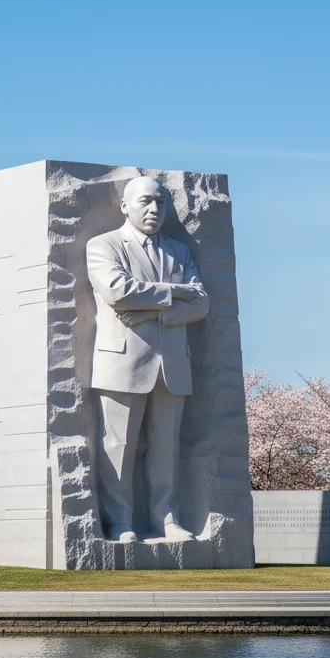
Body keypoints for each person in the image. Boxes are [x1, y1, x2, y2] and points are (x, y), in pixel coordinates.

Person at [85, 177, 210, 543]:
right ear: (125, 205)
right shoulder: (104, 245)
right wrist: (176, 293)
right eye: (145, 202)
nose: (154, 210)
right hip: (122, 361)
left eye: (161, 203)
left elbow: (201, 303)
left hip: (171, 364)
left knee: (165, 446)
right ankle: (120, 521)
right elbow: (118, 291)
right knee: (119, 445)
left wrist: (156, 313)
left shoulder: (178, 250)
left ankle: (165, 518)